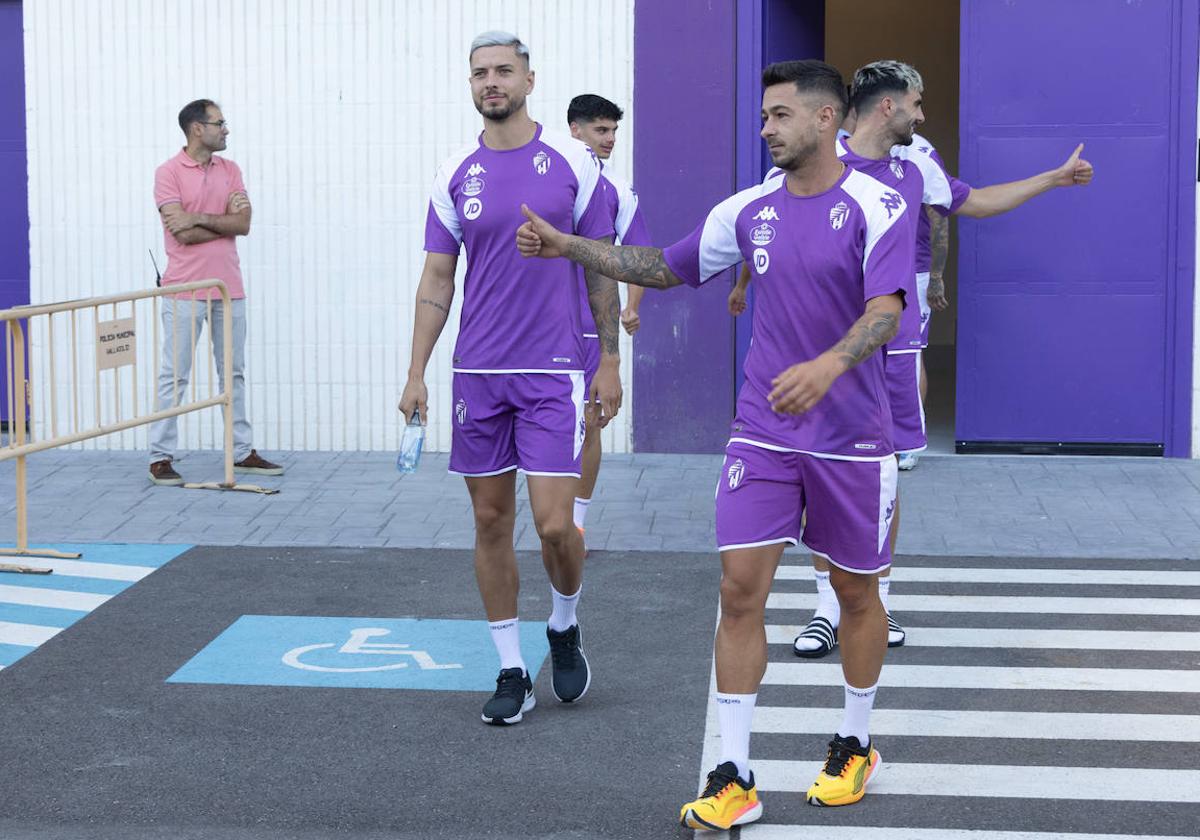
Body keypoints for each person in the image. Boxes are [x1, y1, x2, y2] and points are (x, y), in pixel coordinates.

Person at [518, 59, 913, 825]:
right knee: (739, 592)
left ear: (827, 119)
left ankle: (855, 742)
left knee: (856, 594)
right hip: (763, 434)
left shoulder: (876, 203)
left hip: (854, 441)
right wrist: (570, 245)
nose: (766, 127)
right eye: (763, 116)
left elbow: (886, 310)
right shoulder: (749, 210)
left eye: (780, 115)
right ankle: (733, 773)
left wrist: (830, 365)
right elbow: (663, 267)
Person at [734, 60, 1094, 659]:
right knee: (818, 475)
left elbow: (972, 203)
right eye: (916, 103)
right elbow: (767, 222)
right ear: (886, 106)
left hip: (892, 348)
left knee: (882, 476)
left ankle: (875, 594)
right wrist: (746, 281)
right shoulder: (816, 158)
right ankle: (827, 606)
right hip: (824, 357)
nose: (922, 114)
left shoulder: (916, 163)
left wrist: (1052, 180)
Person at [398, 32, 621, 726]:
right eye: (479, 74)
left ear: (529, 77)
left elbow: (601, 266)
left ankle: (562, 622)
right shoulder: (454, 172)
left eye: (502, 71)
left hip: (553, 370)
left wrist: (608, 360)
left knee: (557, 528)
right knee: (490, 520)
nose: (490, 82)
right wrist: (416, 373)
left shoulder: (573, 166)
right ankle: (510, 668)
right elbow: (438, 279)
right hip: (478, 374)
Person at [149, 99, 283, 486]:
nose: (226, 129)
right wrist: (219, 221)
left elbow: (243, 223)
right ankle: (160, 457)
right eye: (219, 123)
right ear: (197, 129)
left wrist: (201, 217)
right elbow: (181, 233)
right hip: (183, 290)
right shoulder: (168, 173)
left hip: (228, 289)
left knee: (233, 375)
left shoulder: (231, 169)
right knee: (174, 376)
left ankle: (241, 452)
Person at [566, 94, 650, 542]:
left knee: (590, 421)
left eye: (614, 131)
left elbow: (634, 256)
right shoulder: (552, 177)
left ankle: (576, 521)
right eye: (602, 130)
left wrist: (633, 305)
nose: (610, 139)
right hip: (543, 327)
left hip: (591, 328)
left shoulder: (620, 189)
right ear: (575, 130)